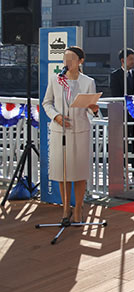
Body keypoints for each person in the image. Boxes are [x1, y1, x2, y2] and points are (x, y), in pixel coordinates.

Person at [42, 47, 99, 225]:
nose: (67, 62)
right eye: (65, 58)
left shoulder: (88, 82)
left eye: (72, 58)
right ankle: (66, 207)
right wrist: (56, 116)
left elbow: (91, 108)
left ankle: (79, 207)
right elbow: (47, 103)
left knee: (79, 172)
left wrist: (94, 109)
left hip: (80, 130)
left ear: (81, 61)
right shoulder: (55, 80)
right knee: (63, 171)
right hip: (60, 132)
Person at [110, 48, 134, 178]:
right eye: (130, 59)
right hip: (122, 114)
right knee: (123, 142)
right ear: (123, 60)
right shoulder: (115, 75)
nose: (133, 61)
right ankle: (122, 169)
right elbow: (116, 95)